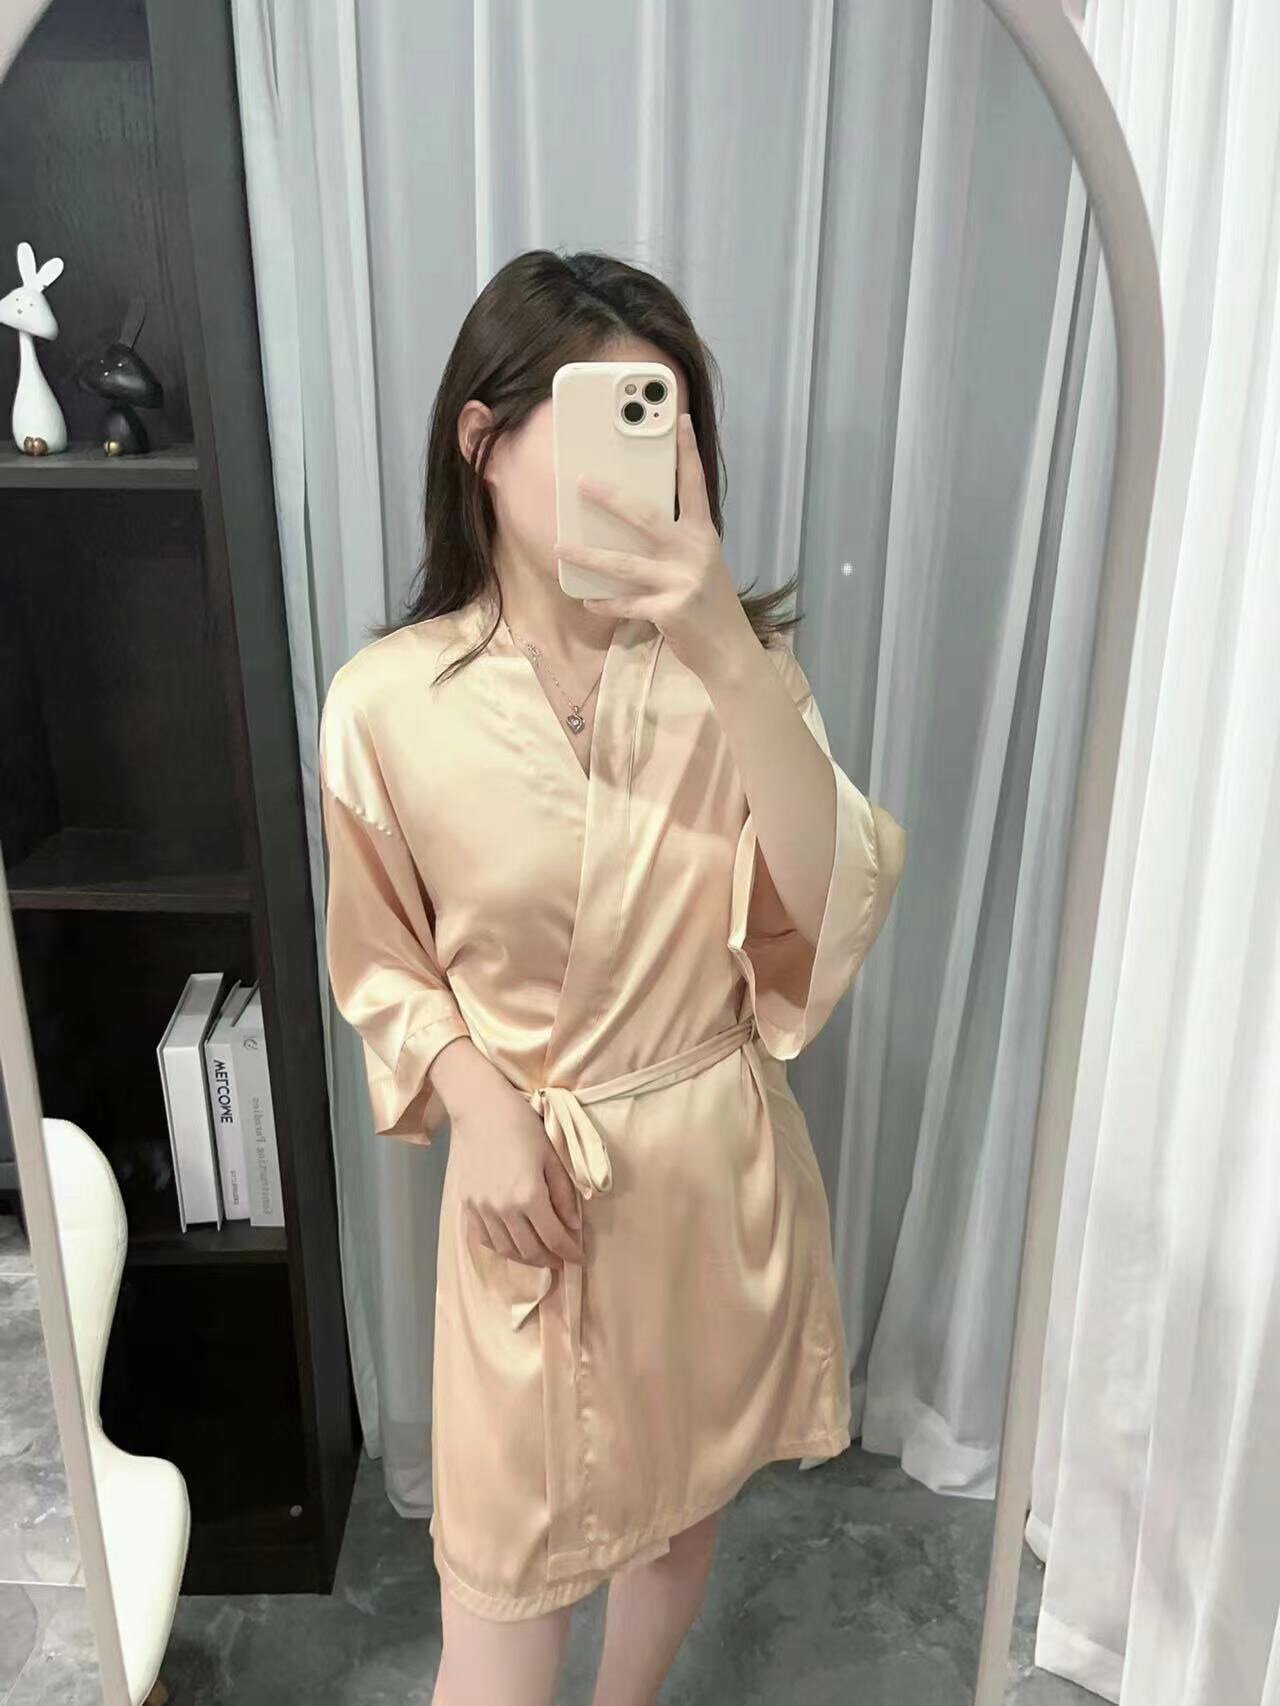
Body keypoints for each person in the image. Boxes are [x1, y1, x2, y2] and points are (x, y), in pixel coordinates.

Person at [318, 249, 907, 1706]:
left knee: (679, 1515)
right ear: (483, 439)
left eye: (668, 423)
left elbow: (827, 907)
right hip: (532, 1202)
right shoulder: (389, 701)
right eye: (604, 417)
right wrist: (475, 1097)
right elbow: (381, 958)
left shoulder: (739, 671)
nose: (646, 459)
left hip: (708, 1180)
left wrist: (723, 647)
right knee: (499, 1613)